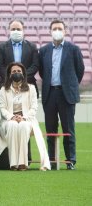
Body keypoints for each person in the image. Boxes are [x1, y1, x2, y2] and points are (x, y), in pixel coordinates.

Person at [39, 20, 84, 170]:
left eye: (60, 28)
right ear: (50, 31)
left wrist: (69, 85)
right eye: (54, 28)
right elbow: (42, 72)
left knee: (68, 129)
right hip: (50, 93)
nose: (57, 30)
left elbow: (79, 71)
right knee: (51, 129)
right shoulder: (44, 50)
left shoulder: (73, 49)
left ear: (65, 31)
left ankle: (70, 160)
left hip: (66, 95)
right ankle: (51, 160)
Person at [0, 62, 50, 171]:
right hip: (8, 120)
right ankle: (13, 164)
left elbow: (34, 108)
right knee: (13, 125)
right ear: (9, 74)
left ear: (23, 73)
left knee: (23, 126)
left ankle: (23, 163)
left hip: (27, 119)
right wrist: (12, 117)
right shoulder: (3, 89)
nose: (16, 73)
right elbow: (2, 108)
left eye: (19, 71)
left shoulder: (31, 88)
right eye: (14, 71)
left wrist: (24, 117)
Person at [0, 20, 39, 96]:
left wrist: (22, 77)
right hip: (7, 85)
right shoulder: (1, 47)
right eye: (13, 29)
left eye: (18, 29)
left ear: (23, 30)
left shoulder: (32, 47)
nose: (16, 31)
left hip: (28, 85)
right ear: (9, 30)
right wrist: (11, 77)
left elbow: (35, 65)